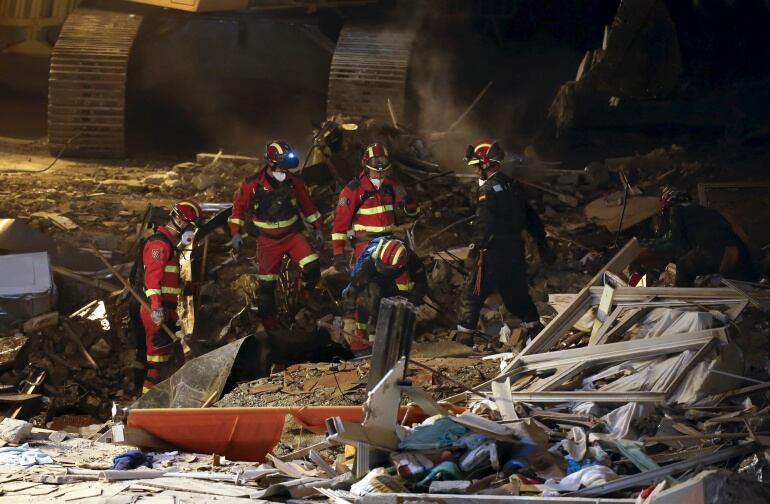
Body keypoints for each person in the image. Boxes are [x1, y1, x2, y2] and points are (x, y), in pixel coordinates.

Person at [457, 139, 555, 336]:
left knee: (472, 294)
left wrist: (476, 250)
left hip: (492, 252)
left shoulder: (487, 190)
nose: (476, 171)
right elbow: (530, 216)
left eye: (477, 166)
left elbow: (485, 223)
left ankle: (463, 339)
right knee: (515, 294)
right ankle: (534, 329)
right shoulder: (513, 185)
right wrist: (541, 241)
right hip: (514, 250)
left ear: (486, 164)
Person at [227, 140, 323, 327]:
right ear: (271, 162)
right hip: (267, 241)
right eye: (282, 165)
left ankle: (304, 298)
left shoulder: (295, 183)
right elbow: (237, 210)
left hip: (292, 236)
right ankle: (271, 326)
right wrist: (235, 233)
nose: (285, 170)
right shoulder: (251, 184)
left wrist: (319, 228)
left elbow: (309, 207)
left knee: (312, 266)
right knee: (266, 290)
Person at [131, 200, 202, 394]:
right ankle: (147, 407)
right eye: (190, 225)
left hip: (166, 310)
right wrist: (156, 307)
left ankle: (156, 404)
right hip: (155, 311)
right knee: (157, 367)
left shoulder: (171, 245)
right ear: (179, 220)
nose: (190, 231)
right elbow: (151, 280)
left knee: (164, 363)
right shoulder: (158, 244)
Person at [638, 186, 754, 286]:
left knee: (683, 266)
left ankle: (684, 305)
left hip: (714, 251)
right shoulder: (705, 211)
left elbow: (675, 239)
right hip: (736, 250)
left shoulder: (677, 210)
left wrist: (649, 245)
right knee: (746, 286)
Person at [331, 142, 418, 273]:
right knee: (370, 279)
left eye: (383, 172)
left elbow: (412, 212)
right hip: (365, 243)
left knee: (403, 274)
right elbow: (339, 226)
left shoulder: (392, 185)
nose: (379, 176)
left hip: (389, 241)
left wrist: (409, 203)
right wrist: (338, 254)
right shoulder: (352, 190)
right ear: (366, 168)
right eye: (375, 172)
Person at [342, 237, 426, 352]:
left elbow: (421, 278)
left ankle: (394, 334)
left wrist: (416, 298)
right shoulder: (368, 262)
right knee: (373, 295)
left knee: (397, 301)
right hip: (371, 278)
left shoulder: (408, 257)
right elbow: (351, 289)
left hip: (390, 279)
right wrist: (348, 319)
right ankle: (374, 332)